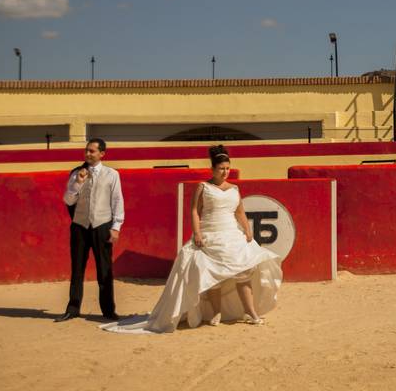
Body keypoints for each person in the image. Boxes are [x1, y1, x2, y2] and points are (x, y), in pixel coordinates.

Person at [103, 144, 282, 333]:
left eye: (228, 168)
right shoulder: (203, 187)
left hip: (232, 234)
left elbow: (240, 212)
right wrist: (197, 233)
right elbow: (195, 211)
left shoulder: (234, 189)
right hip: (210, 234)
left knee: (244, 273)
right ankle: (216, 312)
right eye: (221, 168)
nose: (225, 172)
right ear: (213, 169)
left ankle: (250, 311)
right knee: (212, 275)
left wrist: (247, 230)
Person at [56, 138, 124, 322]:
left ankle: (108, 310)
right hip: (79, 226)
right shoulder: (76, 173)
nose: (88, 154)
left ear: (102, 153)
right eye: (86, 150)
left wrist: (116, 227)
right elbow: (68, 200)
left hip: (102, 226)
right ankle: (73, 308)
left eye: (92, 151)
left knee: (104, 270)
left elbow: (117, 201)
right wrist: (77, 183)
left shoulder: (112, 174)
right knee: (77, 269)